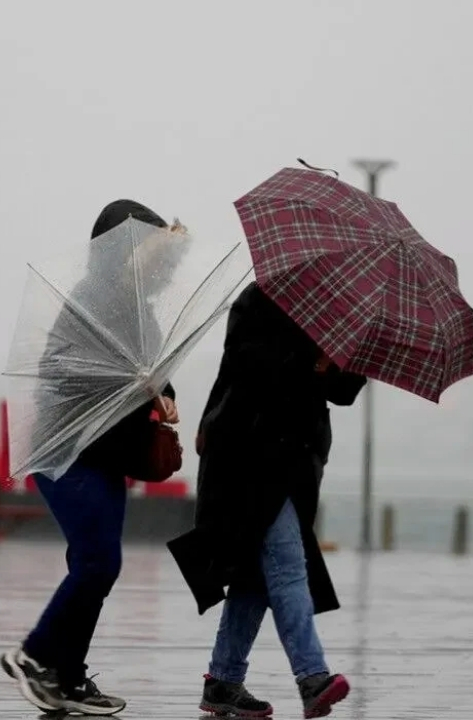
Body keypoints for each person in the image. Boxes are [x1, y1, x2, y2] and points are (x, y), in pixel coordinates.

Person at [0, 199, 180, 716]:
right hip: (69, 450)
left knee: (93, 564)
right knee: (100, 562)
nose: (152, 257)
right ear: (117, 249)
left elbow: (154, 371)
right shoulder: (90, 300)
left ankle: (68, 679)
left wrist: (164, 394)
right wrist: (130, 378)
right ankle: (33, 656)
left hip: (109, 453)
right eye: (143, 245)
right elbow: (59, 366)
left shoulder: (141, 309)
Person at [173, 281, 365, 718]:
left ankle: (223, 680)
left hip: (297, 462)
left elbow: (345, 392)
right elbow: (249, 366)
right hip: (249, 454)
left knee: (254, 577)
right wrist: (311, 361)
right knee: (287, 564)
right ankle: (312, 676)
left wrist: (338, 365)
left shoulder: (339, 310)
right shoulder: (258, 299)